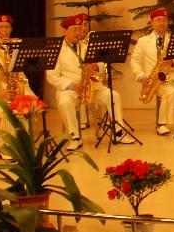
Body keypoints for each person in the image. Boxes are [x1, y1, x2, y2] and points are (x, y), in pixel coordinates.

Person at [45, 13, 132, 150]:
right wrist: (71, 85)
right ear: (65, 31)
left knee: (113, 96)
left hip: (92, 87)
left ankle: (118, 133)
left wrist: (97, 66)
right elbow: (52, 76)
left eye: (79, 29)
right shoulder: (56, 49)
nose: (78, 33)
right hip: (70, 90)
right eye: (74, 30)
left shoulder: (87, 46)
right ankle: (75, 137)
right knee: (65, 102)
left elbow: (102, 65)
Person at [129, 8, 174, 135]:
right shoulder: (143, 41)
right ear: (152, 23)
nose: (162, 23)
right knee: (170, 93)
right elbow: (135, 61)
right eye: (158, 20)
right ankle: (162, 124)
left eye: (164, 20)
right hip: (156, 79)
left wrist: (173, 62)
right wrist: (141, 76)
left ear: (168, 22)